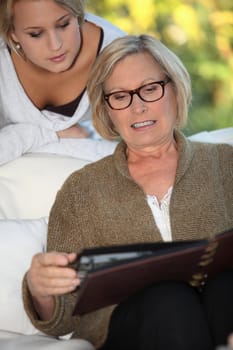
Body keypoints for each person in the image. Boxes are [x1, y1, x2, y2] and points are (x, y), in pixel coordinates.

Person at [22, 34, 233, 350]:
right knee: (170, 299)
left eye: (150, 89)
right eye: (120, 96)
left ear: (175, 89)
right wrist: (41, 289)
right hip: (130, 331)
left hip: (219, 316)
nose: (137, 107)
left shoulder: (224, 163)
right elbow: (62, 317)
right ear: (107, 109)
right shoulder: (82, 190)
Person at [0, 0, 125, 165]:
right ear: (12, 33)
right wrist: (51, 134)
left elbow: (154, 150)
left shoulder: (119, 57)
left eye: (64, 24)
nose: (55, 45)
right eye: (36, 34)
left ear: (77, 14)